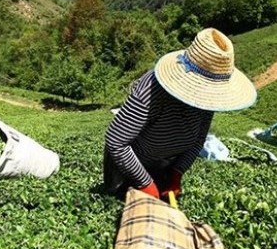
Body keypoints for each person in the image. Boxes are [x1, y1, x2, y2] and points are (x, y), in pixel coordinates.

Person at [103, 28, 257, 200]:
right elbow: (116, 141)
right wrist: (145, 183)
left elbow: (198, 140)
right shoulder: (152, 89)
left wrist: (176, 174)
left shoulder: (207, 99)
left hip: (163, 166)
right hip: (127, 170)